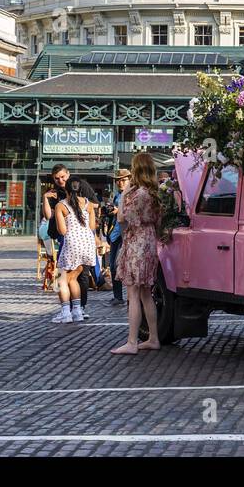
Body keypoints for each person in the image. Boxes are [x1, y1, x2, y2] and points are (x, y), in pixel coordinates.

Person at [110, 152, 163, 354]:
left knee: (133, 293)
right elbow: (158, 223)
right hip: (149, 241)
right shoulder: (154, 193)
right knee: (146, 293)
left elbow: (123, 218)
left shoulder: (139, 194)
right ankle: (153, 337)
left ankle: (132, 342)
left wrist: (123, 196)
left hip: (137, 242)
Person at [52, 178, 97, 323]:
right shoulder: (89, 204)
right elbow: (91, 227)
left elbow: (63, 230)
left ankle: (65, 312)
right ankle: (77, 311)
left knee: (61, 279)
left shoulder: (61, 205)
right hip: (87, 245)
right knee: (73, 279)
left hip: (72, 244)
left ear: (66, 189)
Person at [107, 168, 130, 305]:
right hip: (115, 234)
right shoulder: (117, 195)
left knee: (121, 266)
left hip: (125, 234)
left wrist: (118, 211)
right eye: (117, 181)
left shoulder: (131, 194)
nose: (120, 183)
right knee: (113, 266)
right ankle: (118, 296)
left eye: (123, 180)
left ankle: (128, 297)